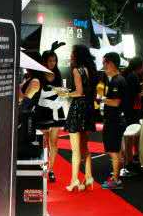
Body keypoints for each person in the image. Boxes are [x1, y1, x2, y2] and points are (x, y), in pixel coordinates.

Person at [54, 44, 96, 192]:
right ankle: (89, 177)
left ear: (77, 55)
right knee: (84, 147)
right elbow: (86, 91)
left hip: (78, 108)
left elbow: (79, 92)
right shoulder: (89, 69)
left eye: (72, 53)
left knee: (75, 149)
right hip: (87, 108)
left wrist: (65, 94)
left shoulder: (76, 70)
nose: (71, 56)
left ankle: (74, 181)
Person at [35, 48, 66, 182]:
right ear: (44, 61)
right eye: (50, 60)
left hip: (56, 111)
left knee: (53, 142)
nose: (52, 63)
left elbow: (62, 92)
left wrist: (62, 92)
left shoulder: (58, 74)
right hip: (43, 111)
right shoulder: (39, 75)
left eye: (54, 60)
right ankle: (42, 166)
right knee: (44, 142)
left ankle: (51, 169)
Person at [101, 52, 127, 189]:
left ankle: (116, 179)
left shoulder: (117, 81)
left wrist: (102, 99)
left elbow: (116, 102)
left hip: (114, 121)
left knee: (114, 150)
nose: (103, 66)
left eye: (104, 63)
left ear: (111, 63)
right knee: (115, 149)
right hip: (115, 120)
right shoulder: (117, 79)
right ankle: (116, 176)